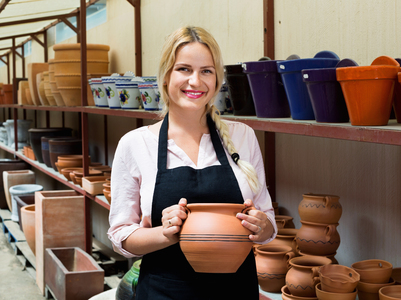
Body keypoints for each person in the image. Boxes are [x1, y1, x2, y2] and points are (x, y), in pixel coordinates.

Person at [108, 26, 277, 300]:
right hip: (165, 292)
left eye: (206, 71)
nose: (196, 81)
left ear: (217, 78)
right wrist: (165, 233)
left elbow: (268, 219)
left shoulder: (242, 136)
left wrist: (263, 226)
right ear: (165, 76)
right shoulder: (135, 144)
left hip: (237, 293)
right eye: (184, 69)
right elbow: (121, 238)